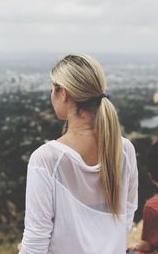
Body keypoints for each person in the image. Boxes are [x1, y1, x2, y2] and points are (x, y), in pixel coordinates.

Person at [18, 54, 138, 254]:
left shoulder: (46, 159)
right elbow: (126, 216)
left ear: (63, 93)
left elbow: (35, 242)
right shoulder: (125, 149)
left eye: (52, 89)